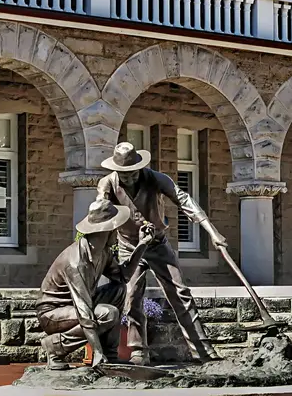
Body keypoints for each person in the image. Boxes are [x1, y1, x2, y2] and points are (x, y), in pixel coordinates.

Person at [96, 142, 227, 366]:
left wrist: (213, 233)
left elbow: (184, 200)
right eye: (123, 174)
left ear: (139, 167)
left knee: (180, 293)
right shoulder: (107, 183)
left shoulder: (155, 178)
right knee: (131, 299)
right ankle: (138, 351)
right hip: (129, 247)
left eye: (131, 173)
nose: (127, 178)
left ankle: (202, 350)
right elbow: (100, 213)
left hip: (157, 245)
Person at [33, 199, 154, 370]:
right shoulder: (76, 262)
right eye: (116, 228)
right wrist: (96, 352)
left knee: (118, 290)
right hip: (52, 312)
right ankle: (55, 347)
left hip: (76, 307)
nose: (118, 232)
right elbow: (83, 310)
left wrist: (142, 245)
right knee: (107, 313)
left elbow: (122, 276)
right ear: (106, 230)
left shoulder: (101, 252)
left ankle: (110, 353)